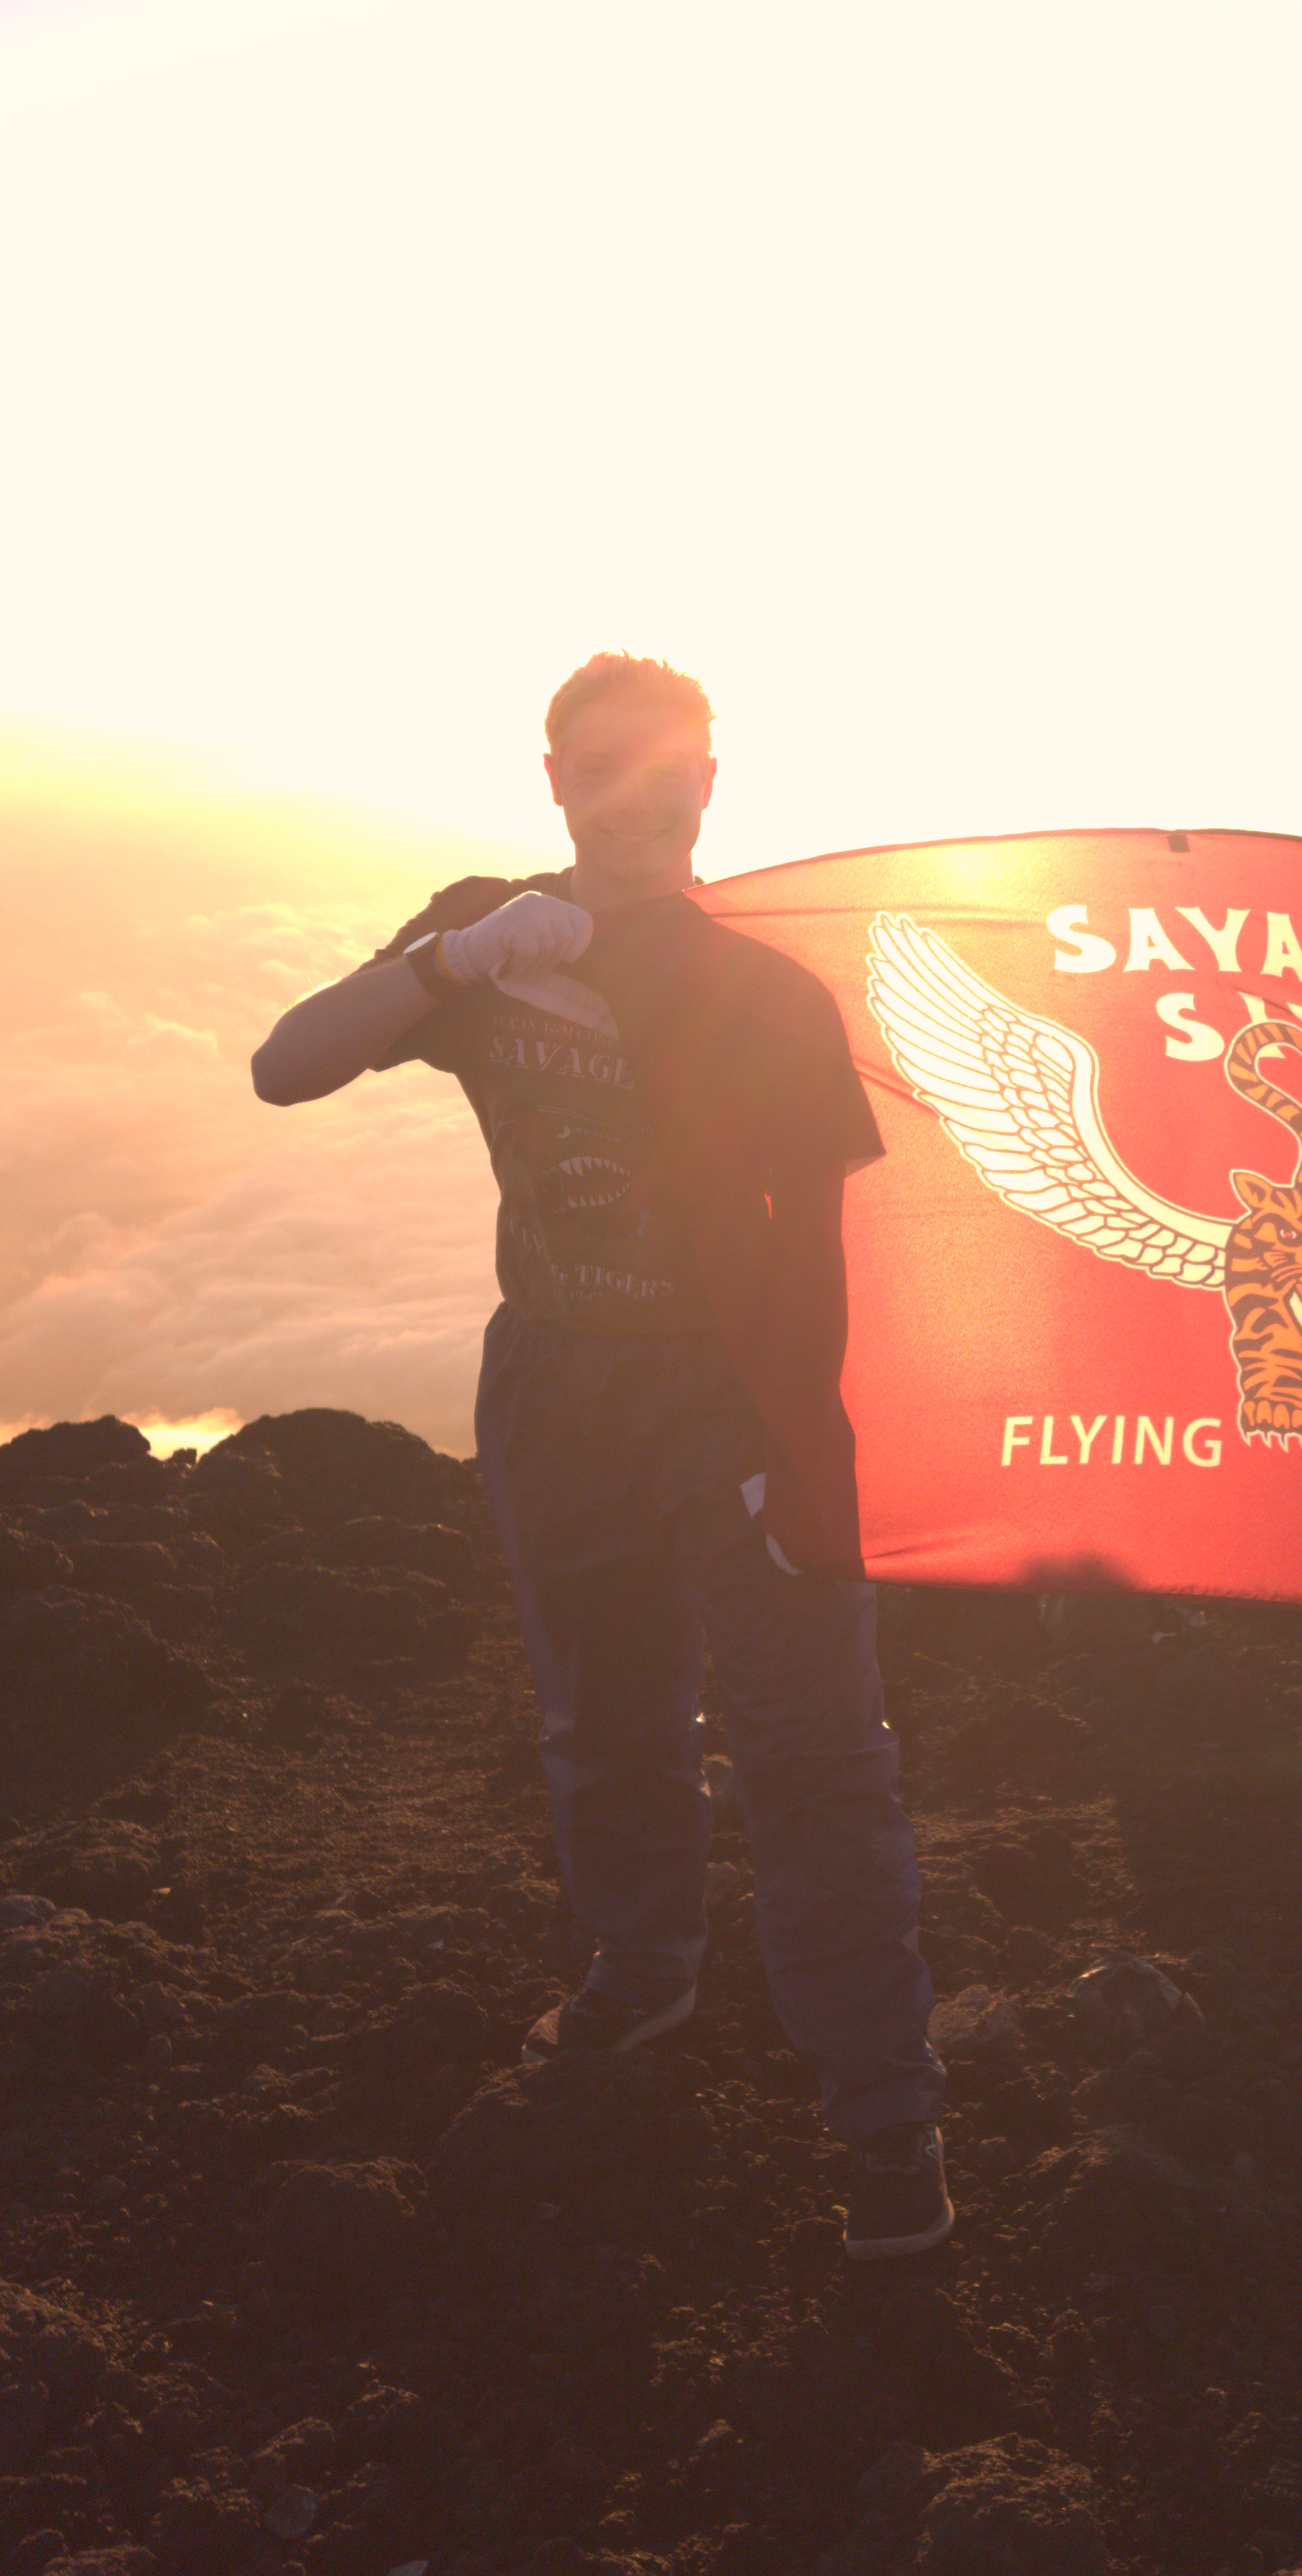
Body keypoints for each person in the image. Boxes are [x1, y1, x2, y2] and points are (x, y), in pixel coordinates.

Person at [248, 652, 951, 2260]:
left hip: (726, 1400)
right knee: (606, 1723)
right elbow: (291, 1063)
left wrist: (802, 1449)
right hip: (555, 1390)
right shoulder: (485, 942)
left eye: (673, 773)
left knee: (817, 1757)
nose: (641, 800)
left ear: (712, 788)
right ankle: (646, 1970)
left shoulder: (762, 998)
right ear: (554, 780)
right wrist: (457, 959)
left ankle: (887, 2110)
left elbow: (824, 1248)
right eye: (603, 771)